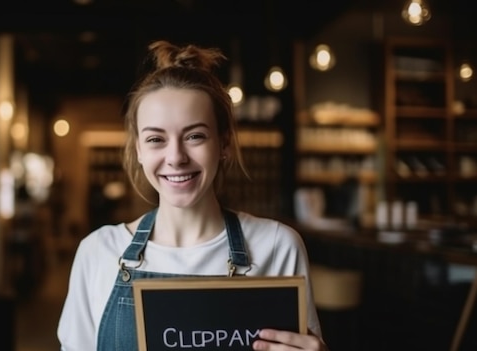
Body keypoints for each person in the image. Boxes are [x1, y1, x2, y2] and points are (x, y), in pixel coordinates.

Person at [57, 40, 328, 351]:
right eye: (156, 139)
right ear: (139, 150)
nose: (176, 157)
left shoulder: (277, 247)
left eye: (195, 136)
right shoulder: (98, 253)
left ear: (224, 143)